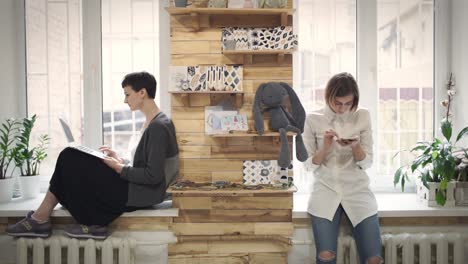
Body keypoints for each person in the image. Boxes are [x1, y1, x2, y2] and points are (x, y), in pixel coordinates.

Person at [7, 71, 179, 240]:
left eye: (127, 94)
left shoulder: (158, 127)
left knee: (69, 156)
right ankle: (51, 219)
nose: (124, 100)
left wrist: (119, 168)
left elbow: (153, 176)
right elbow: (143, 163)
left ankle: (50, 220)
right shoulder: (151, 121)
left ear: (142, 93)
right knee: (71, 158)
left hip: (140, 193)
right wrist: (120, 159)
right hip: (133, 186)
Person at [302, 72, 382, 264]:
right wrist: (326, 147)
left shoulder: (363, 116)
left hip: (357, 189)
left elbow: (367, 163)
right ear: (328, 97)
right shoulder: (312, 119)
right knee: (325, 256)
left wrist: (355, 146)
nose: (343, 108)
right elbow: (307, 166)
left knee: (374, 259)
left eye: (348, 103)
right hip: (325, 189)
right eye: (338, 103)